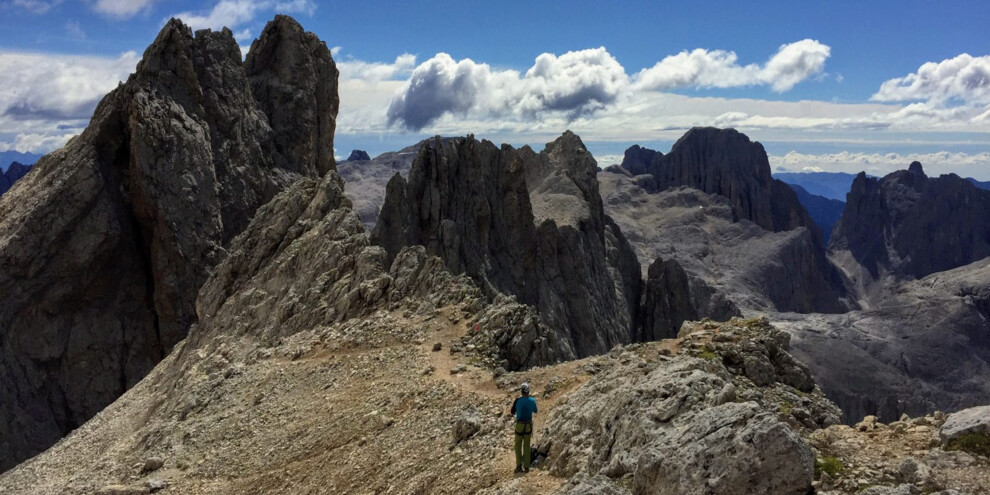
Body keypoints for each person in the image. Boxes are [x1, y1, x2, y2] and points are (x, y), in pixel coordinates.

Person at [510, 382, 538, 473]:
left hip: (519, 425)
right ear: (528, 391)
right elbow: (535, 410)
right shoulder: (532, 400)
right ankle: (526, 466)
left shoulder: (517, 400)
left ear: (521, 391)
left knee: (517, 445)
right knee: (526, 445)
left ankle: (518, 466)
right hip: (528, 425)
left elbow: (512, 412)